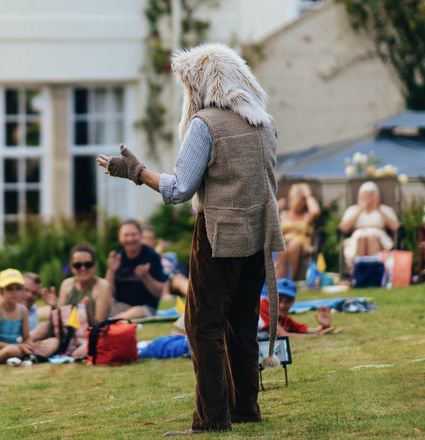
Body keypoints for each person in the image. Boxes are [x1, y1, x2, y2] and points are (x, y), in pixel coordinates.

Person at [97, 43, 284, 435]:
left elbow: (180, 189)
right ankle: (245, 407)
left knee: (203, 326)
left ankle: (213, 419)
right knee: (242, 324)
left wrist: (136, 171)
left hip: (217, 234)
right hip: (258, 236)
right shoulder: (264, 123)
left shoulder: (206, 123)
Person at [105, 220, 168, 320]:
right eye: (126, 235)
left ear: (141, 236)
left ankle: (111, 321)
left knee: (137, 311)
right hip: (118, 306)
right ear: (119, 237)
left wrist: (145, 277)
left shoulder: (152, 256)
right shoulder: (118, 257)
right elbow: (108, 293)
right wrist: (111, 271)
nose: (130, 239)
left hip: (144, 308)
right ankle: (110, 321)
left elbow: (160, 292)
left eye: (133, 234)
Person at [339, 181, 400, 267]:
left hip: (379, 238)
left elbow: (397, 227)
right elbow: (343, 229)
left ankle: (373, 269)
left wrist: (378, 209)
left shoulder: (385, 209)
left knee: (372, 238)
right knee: (361, 239)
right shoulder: (352, 210)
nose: (368, 196)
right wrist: (360, 209)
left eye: (372, 193)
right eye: (365, 193)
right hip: (358, 237)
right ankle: (360, 270)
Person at [257, 279, 340, 338]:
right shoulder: (262, 305)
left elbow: (309, 330)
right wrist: (318, 335)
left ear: (293, 302)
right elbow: (283, 335)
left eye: (288, 301)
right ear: (269, 298)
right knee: (264, 336)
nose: (282, 305)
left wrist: (323, 327)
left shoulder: (283, 319)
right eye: (278, 300)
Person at [275, 183, 321, 280]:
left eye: (304, 200)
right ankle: (280, 282)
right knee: (282, 247)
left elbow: (316, 212)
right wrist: (276, 208)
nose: (303, 202)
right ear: (291, 198)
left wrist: (308, 193)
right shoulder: (282, 214)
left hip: (302, 245)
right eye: (300, 199)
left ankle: (291, 279)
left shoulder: (306, 216)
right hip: (284, 243)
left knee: (293, 245)